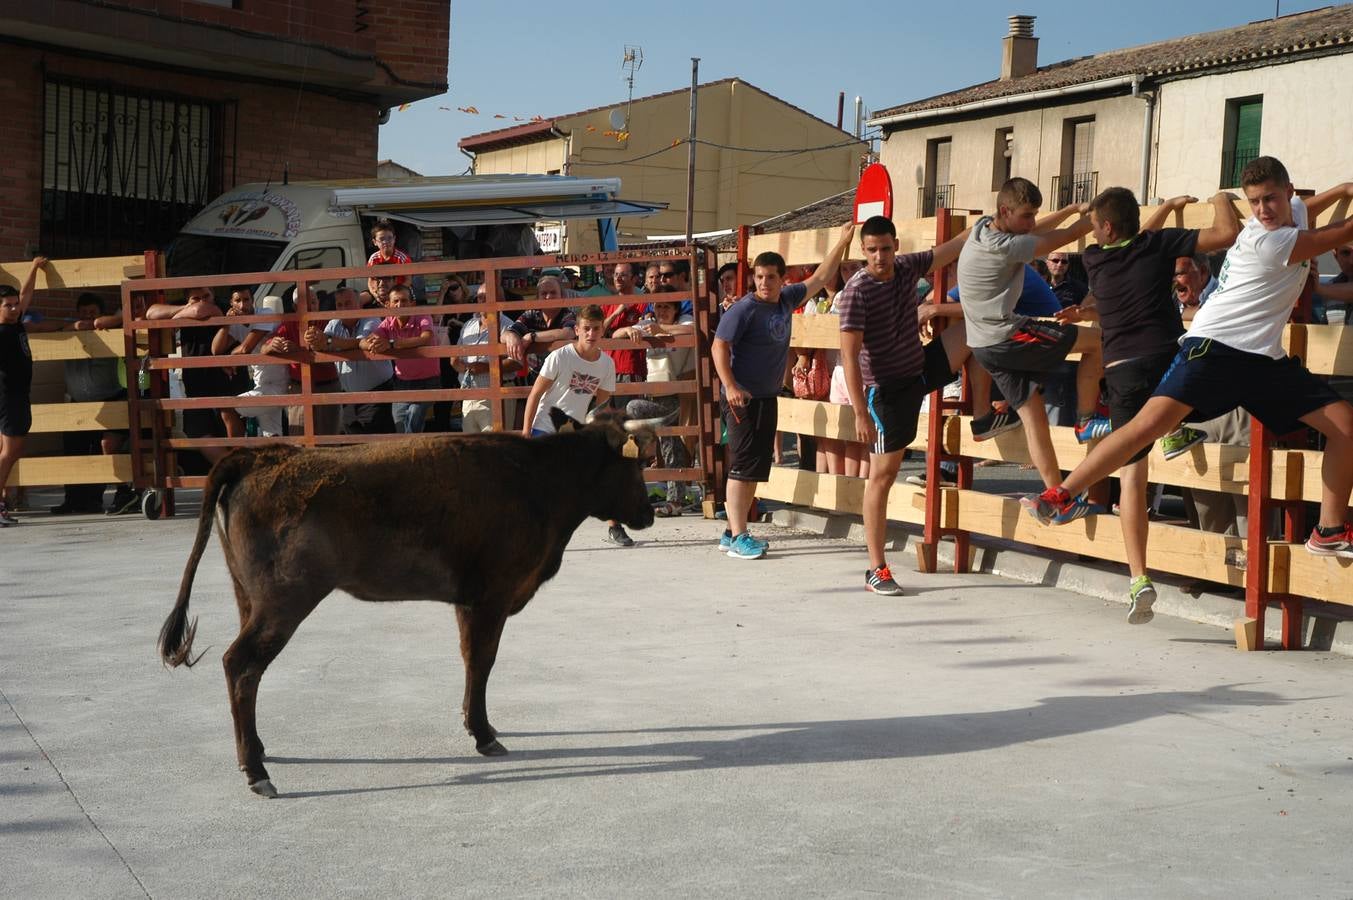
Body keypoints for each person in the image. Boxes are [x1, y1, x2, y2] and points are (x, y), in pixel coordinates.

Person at [1023, 158, 1353, 561]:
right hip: (1213, 346)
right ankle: (1061, 494)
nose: (1263, 210)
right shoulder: (1269, 240)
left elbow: (1309, 207)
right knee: (1149, 425)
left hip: (1262, 357)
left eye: (1270, 199)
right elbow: (1340, 231)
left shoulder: (1289, 216)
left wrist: (1341, 190)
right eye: (1253, 202)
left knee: (1344, 427)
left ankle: (1329, 531)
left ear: (1288, 192)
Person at [1049, 189, 1241, 623]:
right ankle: (1175, 430)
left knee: (1133, 475)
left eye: (1095, 224)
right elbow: (1227, 232)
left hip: (1123, 371)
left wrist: (1161, 212)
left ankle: (1139, 577)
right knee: (1203, 384)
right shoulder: (1157, 246)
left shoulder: (1096, 260)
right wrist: (1222, 198)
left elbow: (1131, 239)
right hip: (1166, 361)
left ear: (1107, 229)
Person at [839, 216, 998, 595]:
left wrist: (987, 226)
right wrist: (860, 411)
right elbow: (848, 357)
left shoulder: (907, 265)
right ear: (863, 251)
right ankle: (876, 568)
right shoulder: (855, 292)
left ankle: (982, 417)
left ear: (896, 245)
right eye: (873, 250)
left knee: (979, 330)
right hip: (886, 392)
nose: (881, 257)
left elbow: (950, 249)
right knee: (883, 475)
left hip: (919, 370)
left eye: (886, 248)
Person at [956, 178, 1110, 494]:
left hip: (984, 347)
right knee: (1097, 343)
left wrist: (1067, 209)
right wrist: (1102, 215)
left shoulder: (983, 228)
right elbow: (1065, 236)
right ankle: (1085, 419)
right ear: (1005, 210)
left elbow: (1038, 232)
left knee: (1034, 419)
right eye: (1027, 215)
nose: (1032, 222)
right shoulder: (1006, 247)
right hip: (1009, 336)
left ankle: (1056, 496)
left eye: (1034, 214)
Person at [712, 223, 854, 560]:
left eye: (770, 277)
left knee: (755, 468)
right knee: (743, 467)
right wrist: (731, 386)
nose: (763, 283)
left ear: (781, 279)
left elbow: (820, 278)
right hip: (741, 398)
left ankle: (732, 530)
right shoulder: (744, 309)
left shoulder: (786, 300)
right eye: (759, 277)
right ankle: (739, 536)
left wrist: (843, 241)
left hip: (766, 396)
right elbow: (719, 347)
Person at [519, 305, 624, 544]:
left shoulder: (606, 365)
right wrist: (526, 432)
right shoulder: (560, 356)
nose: (591, 334)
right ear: (577, 329)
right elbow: (535, 394)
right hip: (545, 426)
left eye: (596, 329)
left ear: (602, 330)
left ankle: (614, 526)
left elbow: (602, 406)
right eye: (586, 329)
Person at [52, 293, 137, 515]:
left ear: (101, 314)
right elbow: (47, 329)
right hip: (77, 404)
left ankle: (117, 494)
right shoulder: (71, 332)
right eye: (83, 313)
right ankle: (73, 500)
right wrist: (75, 326)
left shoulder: (111, 333)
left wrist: (103, 322)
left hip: (110, 399)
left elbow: (123, 318)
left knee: (105, 447)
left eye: (93, 313)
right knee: (74, 451)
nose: (88, 318)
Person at [616, 288, 696, 513]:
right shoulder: (647, 324)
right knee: (671, 443)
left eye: (666, 307)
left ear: (675, 310)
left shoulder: (684, 322)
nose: (662, 311)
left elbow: (693, 330)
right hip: (657, 394)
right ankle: (675, 499)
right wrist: (630, 329)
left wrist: (662, 329)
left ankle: (669, 495)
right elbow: (614, 336)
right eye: (658, 306)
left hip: (677, 395)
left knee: (633, 409)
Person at [145, 285, 231, 465]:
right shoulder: (185, 307)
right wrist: (183, 311)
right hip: (194, 384)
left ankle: (232, 472)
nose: (202, 301)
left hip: (223, 382)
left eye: (206, 295)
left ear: (213, 294)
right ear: (187, 299)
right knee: (195, 429)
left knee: (228, 432)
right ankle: (231, 471)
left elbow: (202, 310)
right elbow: (151, 313)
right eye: (196, 298)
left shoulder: (221, 305)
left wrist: (177, 317)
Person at [0, 258, 48, 525]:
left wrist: (33, 268)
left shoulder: (15, 324)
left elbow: (26, 294)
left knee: (8, 450)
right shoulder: (2, 333)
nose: (16, 308)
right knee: (11, 450)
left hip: (17, 396)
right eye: (8, 305)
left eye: (15, 304)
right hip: (10, 396)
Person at [315, 286, 394, 433]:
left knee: (377, 444)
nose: (344, 308)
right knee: (354, 441)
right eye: (340, 305)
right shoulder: (333, 324)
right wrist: (315, 339)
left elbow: (362, 342)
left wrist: (330, 342)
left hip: (376, 394)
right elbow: (323, 345)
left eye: (348, 303)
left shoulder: (371, 320)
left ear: (359, 305)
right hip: (349, 398)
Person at [364, 283, 438, 433]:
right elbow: (368, 340)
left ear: (412, 304)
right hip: (402, 383)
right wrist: (373, 344)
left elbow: (426, 338)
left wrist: (390, 344)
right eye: (396, 301)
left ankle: (414, 455)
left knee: (413, 420)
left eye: (404, 301)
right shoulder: (388, 322)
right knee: (400, 426)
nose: (400, 305)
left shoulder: (422, 316)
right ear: (388, 305)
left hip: (427, 382)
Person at [213, 288, 285, 439]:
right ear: (231, 304)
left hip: (279, 383)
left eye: (246, 300)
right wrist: (226, 324)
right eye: (238, 301)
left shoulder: (264, 313)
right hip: (262, 383)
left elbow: (246, 348)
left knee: (228, 408)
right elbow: (216, 350)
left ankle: (237, 455)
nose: (242, 305)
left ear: (253, 301)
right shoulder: (236, 324)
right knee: (272, 437)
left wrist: (230, 358)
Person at [454, 283, 518, 433]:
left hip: (495, 395)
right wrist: (458, 364)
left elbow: (517, 362)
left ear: (499, 299)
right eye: (480, 298)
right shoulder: (469, 325)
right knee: (471, 448)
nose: (482, 301)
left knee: (495, 448)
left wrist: (487, 367)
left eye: (486, 297)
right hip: (469, 395)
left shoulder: (509, 326)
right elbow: (456, 355)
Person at [502, 275, 577, 381]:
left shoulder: (568, 315)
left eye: (553, 292)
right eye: (544, 293)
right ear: (537, 297)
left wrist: (532, 337)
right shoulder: (532, 314)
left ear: (562, 296)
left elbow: (568, 333)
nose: (548, 297)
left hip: (563, 377)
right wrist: (511, 336)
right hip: (536, 376)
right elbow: (505, 335)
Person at [603, 263, 647, 386]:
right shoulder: (607, 305)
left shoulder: (643, 304)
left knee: (629, 405)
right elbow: (599, 332)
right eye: (616, 274)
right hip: (607, 370)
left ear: (634, 279)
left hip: (631, 369)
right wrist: (616, 313)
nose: (617, 278)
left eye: (623, 275)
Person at [367, 218, 412, 284]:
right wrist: (375, 293)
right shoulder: (373, 258)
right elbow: (370, 281)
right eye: (381, 239)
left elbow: (408, 281)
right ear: (374, 242)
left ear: (394, 239)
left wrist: (394, 293)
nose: (385, 242)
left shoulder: (402, 258)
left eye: (389, 238)